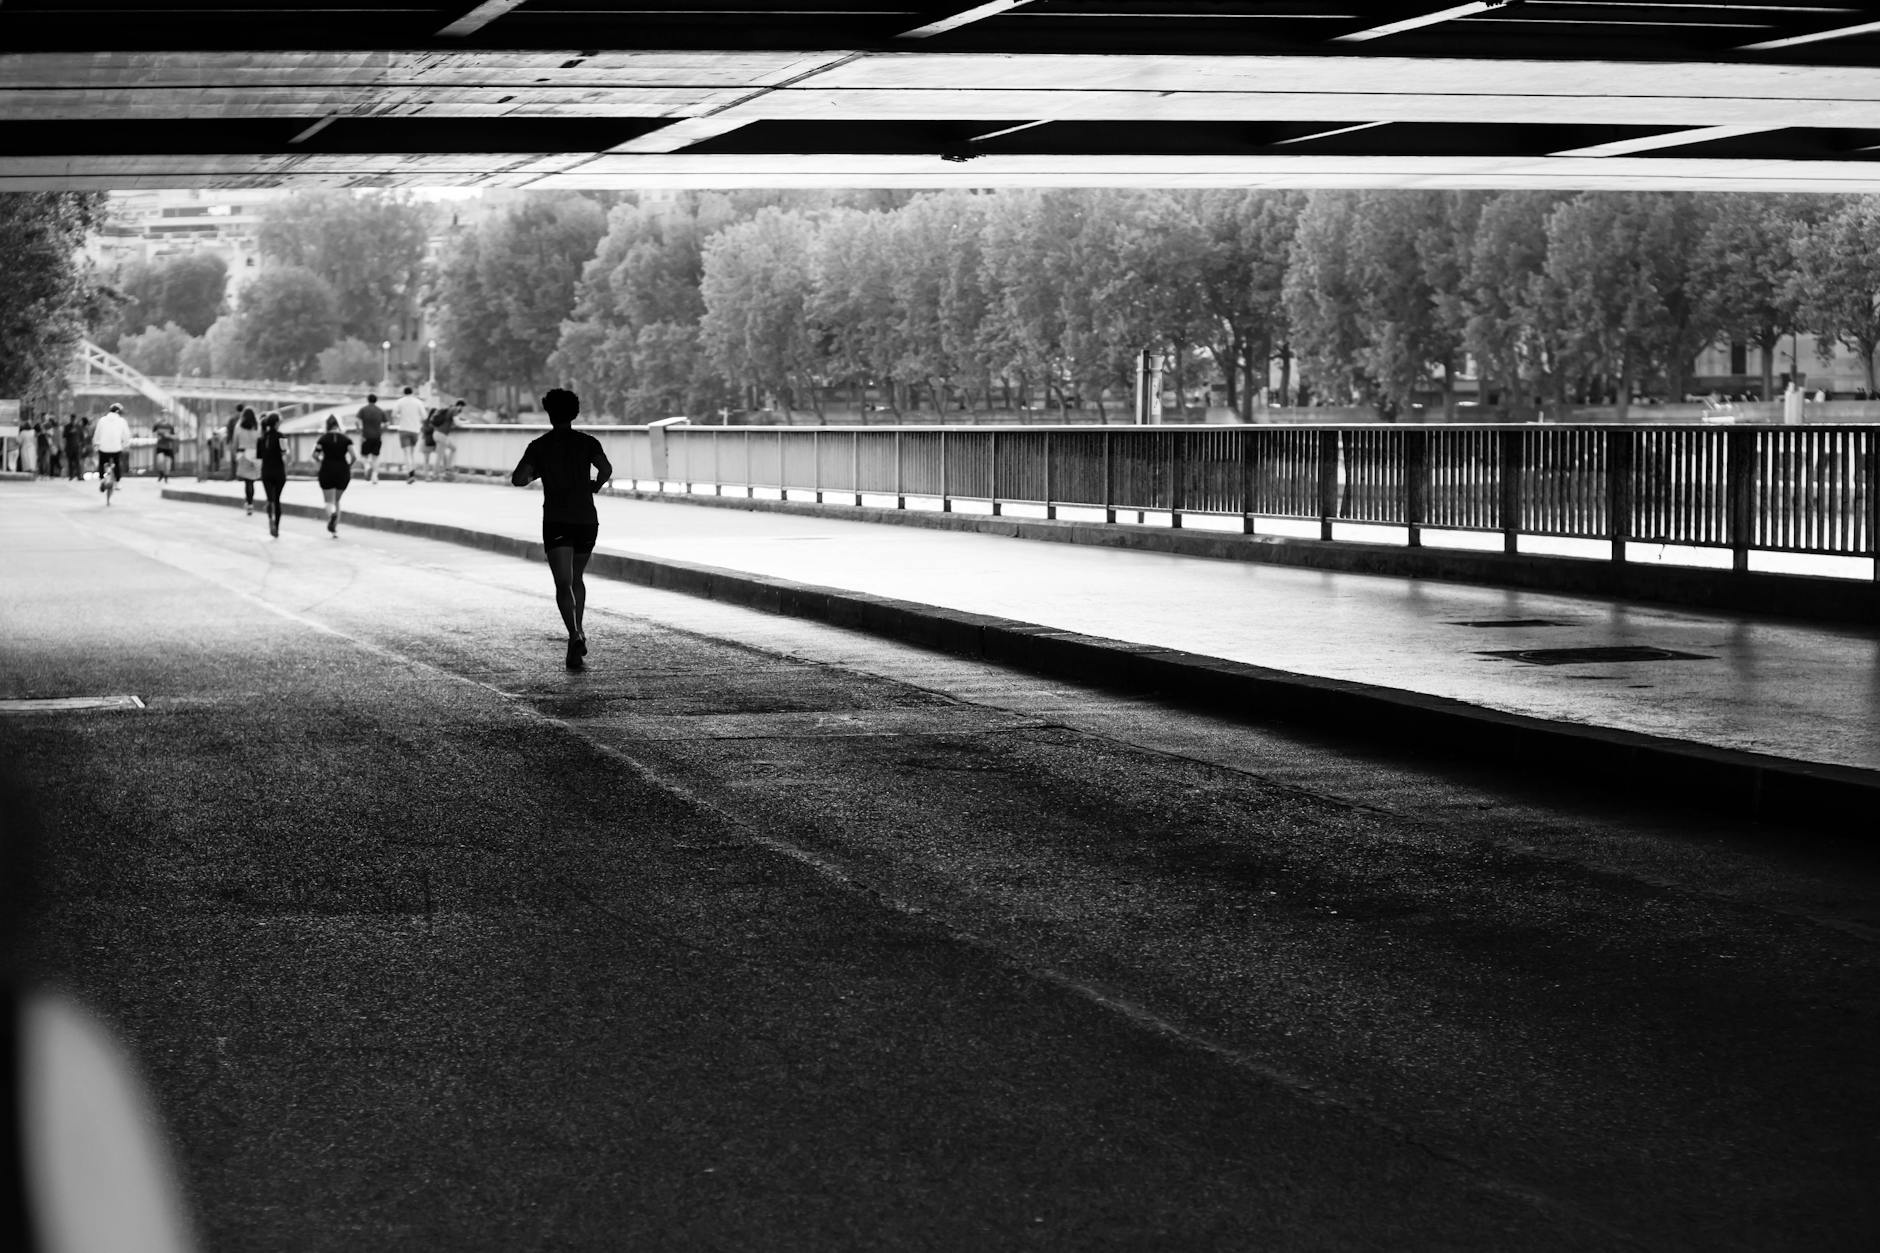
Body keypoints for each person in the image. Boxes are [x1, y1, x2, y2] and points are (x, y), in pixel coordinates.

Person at [510, 388, 611, 670]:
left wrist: (538, 472)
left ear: (549, 412)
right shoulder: (588, 442)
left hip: (556, 520)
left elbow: (518, 479)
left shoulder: (539, 446)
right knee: (577, 578)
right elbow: (606, 469)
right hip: (586, 520)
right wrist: (595, 486)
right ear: (574, 413)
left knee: (562, 583)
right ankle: (575, 643)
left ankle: (574, 633)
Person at [312, 414, 354, 537]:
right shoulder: (346, 439)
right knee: (337, 500)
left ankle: (332, 515)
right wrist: (348, 466)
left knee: (328, 501)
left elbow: (315, 455)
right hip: (343, 471)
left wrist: (321, 461)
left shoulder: (323, 439)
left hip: (327, 470)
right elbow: (354, 456)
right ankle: (334, 529)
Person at [257, 411, 289, 539]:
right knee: (277, 500)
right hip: (279, 472)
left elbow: (259, 456)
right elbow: (284, 453)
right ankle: (277, 526)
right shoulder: (281, 436)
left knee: (270, 498)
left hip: (266, 472)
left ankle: (270, 517)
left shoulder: (262, 439)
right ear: (276, 423)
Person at [389, 386, 427, 483]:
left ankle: (410, 474)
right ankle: (412, 472)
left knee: (407, 453)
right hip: (415, 430)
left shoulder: (400, 402)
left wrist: (400, 416)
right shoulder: (418, 402)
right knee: (412, 453)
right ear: (412, 392)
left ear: (404, 392)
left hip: (404, 429)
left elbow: (393, 415)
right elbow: (424, 416)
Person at [92, 403, 130, 492]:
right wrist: (125, 445)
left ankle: (101, 479)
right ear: (118, 412)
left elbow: (97, 434)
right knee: (117, 463)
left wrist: (96, 444)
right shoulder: (122, 421)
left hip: (103, 449)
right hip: (116, 449)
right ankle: (117, 482)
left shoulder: (102, 420)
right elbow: (126, 436)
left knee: (101, 463)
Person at [231, 408, 261, 514]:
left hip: (243, 454)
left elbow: (235, 442)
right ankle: (250, 503)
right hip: (254, 454)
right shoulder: (257, 426)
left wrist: (234, 454)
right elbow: (260, 441)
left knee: (247, 482)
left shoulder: (239, 426)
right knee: (251, 481)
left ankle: (249, 503)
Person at [429, 398, 466, 482]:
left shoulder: (448, 409)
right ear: (460, 406)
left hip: (436, 433)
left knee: (451, 449)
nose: (462, 410)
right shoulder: (455, 410)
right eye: (462, 407)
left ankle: (446, 470)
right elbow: (457, 423)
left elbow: (450, 423)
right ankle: (436, 474)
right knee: (441, 455)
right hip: (442, 435)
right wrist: (465, 423)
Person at [355, 393, 387, 484]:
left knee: (363, 456)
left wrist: (359, 430)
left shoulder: (363, 410)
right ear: (376, 400)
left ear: (367, 400)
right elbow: (387, 423)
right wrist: (382, 431)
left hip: (366, 436)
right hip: (377, 436)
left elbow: (357, 420)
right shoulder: (380, 411)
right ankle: (374, 476)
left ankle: (367, 466)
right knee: (375, 457)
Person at [151, 417, 177, 483]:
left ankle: (166, 477)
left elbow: (175, 436)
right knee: (160, 461)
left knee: (168, 463)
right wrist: (157, 436)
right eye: (162, 414)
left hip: (168, 447)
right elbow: (153, 433)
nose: (164, 415)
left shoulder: (170, 426)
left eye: (165, 414)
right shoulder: (157, 425)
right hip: (160, 446)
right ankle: (161, 473)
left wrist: (169, 436)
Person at [63, 414, 83, 480]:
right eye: (72, 419)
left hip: (77, 447)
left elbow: (82, 437)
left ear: (76, 420)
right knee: (70, 462)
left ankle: (79, 476)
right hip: (69, 447)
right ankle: (71, 476)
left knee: (78, 462)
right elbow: (64, 436)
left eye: (74, 419)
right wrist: (70, 432)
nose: (73, 421)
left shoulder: (79, 427)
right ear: (70, 419)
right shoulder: (67, 427)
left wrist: (81, 445)